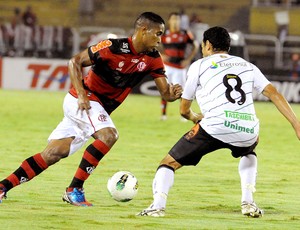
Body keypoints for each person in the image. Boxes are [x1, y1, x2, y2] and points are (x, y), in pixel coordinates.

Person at [0, 12, 183, 206]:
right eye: (158, 34)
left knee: (54, 153)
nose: (160, 40)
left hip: (95, 111)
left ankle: (3, 186)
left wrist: (174, 93)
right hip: (83, 100)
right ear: (144, 30)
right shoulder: (112, 47)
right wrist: (80, 94)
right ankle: (74, 189)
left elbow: (166, 94)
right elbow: (74, 62)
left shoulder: (153, 58)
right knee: (109, 135)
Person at [137, 26, 300, 217]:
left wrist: (194, 117)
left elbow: (183, 110)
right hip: (247, 128)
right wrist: (296, 124)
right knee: (250, 148)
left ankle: (157, 206)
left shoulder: (199, 65)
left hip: (214, 126)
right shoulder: (247, 65)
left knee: (168, 163)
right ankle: (248, 202)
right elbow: (274, 93)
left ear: (208, 45)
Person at [160, 12, 199, 121]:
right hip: (167, 67)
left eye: (177, 19)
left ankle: (184, 114)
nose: (175, 21)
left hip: (179, 68)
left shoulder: (185, 33)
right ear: (169, 21)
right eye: (173, 19)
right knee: (165, 90)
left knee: (181, 92)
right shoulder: (164, 33)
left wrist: (188, 59)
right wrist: (161, 55)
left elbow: (195, 45)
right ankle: (163, 114)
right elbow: (154, 44)